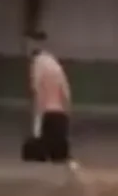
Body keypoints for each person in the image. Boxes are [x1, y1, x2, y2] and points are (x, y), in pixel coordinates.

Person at [28, 31, 76, 167]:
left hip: (47, 112)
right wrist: (68, 109)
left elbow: (37, 90)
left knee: (43, 138)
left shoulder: (37, 64)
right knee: (58, 147)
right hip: (60, 112)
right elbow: (66, 90)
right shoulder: (55, 64)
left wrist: (36, 121)